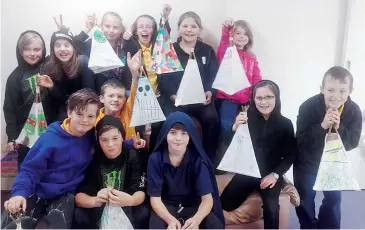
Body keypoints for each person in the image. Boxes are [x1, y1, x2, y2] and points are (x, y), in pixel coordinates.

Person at [1, 89, 101, 229]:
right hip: (37, 190)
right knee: (12, 224)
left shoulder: (92, 137)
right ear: (69, 112)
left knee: (59, 225)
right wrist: (18, 194)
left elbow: (110, 142)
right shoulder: (50, 139)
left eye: (90, 116)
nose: (85, 120)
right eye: (79, 114)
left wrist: (132, 143)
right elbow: (30, 170)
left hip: (65, 193)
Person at [219, 80, 296, 229]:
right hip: (247, 171)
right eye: (259, 98)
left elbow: (290, 156)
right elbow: (227, 146)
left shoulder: (285, 124)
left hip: (270, 174)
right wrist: (234, 128)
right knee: (224, 203)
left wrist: (275, 175)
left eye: (269, 97)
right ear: (253, 99)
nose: (264, 102)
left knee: (272, 208)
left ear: (276, 98)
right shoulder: (246, 118)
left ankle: (281, 181)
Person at [294, 66, 363, 229]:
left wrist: (339, 128)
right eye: (330, 89)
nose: (336, 96)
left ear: (350, 90)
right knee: (305, 201)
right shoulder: (307, 107)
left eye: (342, 91)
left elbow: (352, 142)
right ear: (322, 88)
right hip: (307, 162)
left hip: (334, 163)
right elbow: (300, 141)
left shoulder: (354, 111)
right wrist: (323, 126)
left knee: (334, 201)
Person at [159, 11, 219, 160]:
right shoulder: (170, 50)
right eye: (185, 26)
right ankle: (168, 159)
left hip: (201, 100)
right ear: (179, 28)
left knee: (211, 118)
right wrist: (173, 95)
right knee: (170, 119)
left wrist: (209, 92)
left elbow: (213, 75)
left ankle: (207, 160)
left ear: (199, 30)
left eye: (193, 26)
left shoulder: (207, 50)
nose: (189, 30)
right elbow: (163, 77)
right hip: (176, 100)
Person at [147, 111, 224, 229]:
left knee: (215, 225)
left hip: (194, 207)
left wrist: (196, 220)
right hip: (166, 207)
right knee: (155, 225)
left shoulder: (198, 161)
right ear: (165, 135)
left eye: (184, 133)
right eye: (173, 133)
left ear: (190, 136)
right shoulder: (155, 159)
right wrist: (170, 220)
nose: (178, 138)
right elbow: (155, 199)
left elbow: (207, 200)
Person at [72, 116, 149, 229]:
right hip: (101, 207)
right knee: (80, 215)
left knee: (143, 213)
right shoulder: (93, 158)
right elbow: (79, 196)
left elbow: (140, 191)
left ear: (122, 137)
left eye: (115, 138)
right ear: (98, 141)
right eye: (104, 140)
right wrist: (94, 201)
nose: (110, 145)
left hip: (126, 204)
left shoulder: (133, 156)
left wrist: (131, 200)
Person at [123, 4, 172, 152]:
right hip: (137, 94)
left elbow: (165, 33)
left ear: (154, 31)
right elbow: (126, 45)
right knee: (138, 127)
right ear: (135, 31)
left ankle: (155, 153)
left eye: (149, 27)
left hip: (157, 94)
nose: (144, 29)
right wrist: (126, 38)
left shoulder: (158, 46)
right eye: (140, 27)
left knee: (158, 126)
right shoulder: (131, 46)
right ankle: (140, 155)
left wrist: (164, 17)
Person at [3, 30, 56, 168]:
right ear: (20, 51)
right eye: (27, 49)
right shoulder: (15, 77)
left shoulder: (51, 66)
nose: (32, 54)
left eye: (37, 49)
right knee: (28, 167)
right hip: (27, 133)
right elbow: (9, 109)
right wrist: (12, 137)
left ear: (43, 49)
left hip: (52, 129)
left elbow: (67, 49)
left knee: (51, 166)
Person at [38, 27, 96, 120]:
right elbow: (60, 99)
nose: (62, 49)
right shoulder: (49, 65)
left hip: (82, 108)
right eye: (57, 45)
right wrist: (52, 87)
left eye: (66, 45)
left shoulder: (83, 62)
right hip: (62, 108)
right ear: (53, 49)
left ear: (73, 47)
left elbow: (90, 95)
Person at [216, 18, 262, 137]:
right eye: (238, 33)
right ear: (232, 35)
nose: (242, 36)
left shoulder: (251, 56)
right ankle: (223, 149)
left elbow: (256, 76)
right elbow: (224, 41)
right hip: (228, 99)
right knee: (226, 124)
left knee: (250, 126)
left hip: (247, 100)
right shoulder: (228, 51)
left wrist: (258, 92)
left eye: (245, 33)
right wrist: (227, 29)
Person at [95, 50, 146, 150]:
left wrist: (134, 73)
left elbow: (135, 92)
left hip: (129, 154)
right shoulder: (95, 119)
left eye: (119, 96)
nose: (115, 99)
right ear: (101, 98)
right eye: (111, 96)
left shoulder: (128, 111)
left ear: (124, 100)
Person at [74, 12, 131, 94]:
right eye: (107, 26)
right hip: (99, 92)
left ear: (121, 29)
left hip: (119, 93)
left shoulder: (125, 46)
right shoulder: (93, 44)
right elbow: (74, 45)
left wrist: (130, 39)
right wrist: (88, 29)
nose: (111, 30)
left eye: (115, 27)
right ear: (101, 26)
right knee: (83, 59)